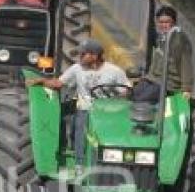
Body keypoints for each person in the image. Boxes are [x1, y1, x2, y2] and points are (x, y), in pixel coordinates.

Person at [31, 37, 130, 167]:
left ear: (94, 56)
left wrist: (118, 99)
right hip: (85, 109)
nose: (80, 57)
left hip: (107, 111)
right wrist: (41, 81)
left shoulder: (114, 71)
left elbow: (126, 90)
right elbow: (59, 83)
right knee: (81, 125)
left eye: (83, 54)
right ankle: (79, 163)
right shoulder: (76, 68)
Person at [142, 4, 193, 95]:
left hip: (168, 84)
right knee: (133, 93)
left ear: (173, 22)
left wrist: (186, 88)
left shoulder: (179, 39)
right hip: (153, 80)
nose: (163, 25)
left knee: (142, 99)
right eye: (161, 22)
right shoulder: (162, 38)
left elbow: (186, 63)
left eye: (167, 22)